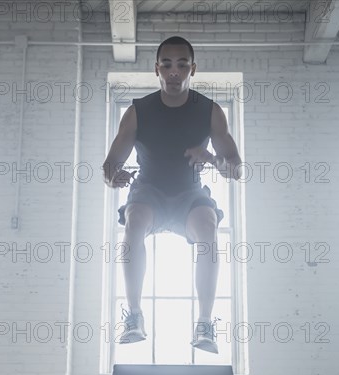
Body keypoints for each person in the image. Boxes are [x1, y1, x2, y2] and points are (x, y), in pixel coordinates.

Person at [103, 36, 242, 354]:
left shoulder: (209, 111)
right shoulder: (138, 112)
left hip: (188, 196)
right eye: (167, 64)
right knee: (134, 221)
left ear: (193, 69)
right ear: (157, 69)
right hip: (148, 192)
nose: (174, 71)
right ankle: (134, 316)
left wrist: (211, 159)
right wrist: (115, 177)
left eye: (182, 65)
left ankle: (205, 322)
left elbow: (234, 169)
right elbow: (110, 167)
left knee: (208, 226)